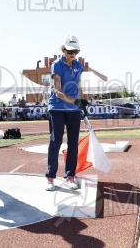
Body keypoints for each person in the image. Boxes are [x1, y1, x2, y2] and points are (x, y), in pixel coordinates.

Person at [45, 35, 88, 191]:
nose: (73, 54)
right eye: (70, 51)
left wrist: (82, 103)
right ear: (63, 49)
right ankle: (50, 178)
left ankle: (70, 175)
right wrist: (74, 101)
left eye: (75, 51)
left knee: (73, 144)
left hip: (74, 110)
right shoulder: (57, 65)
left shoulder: (78, 66)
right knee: (55, 142)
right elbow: (57, 91)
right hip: (56, 108)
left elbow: (79, 86)